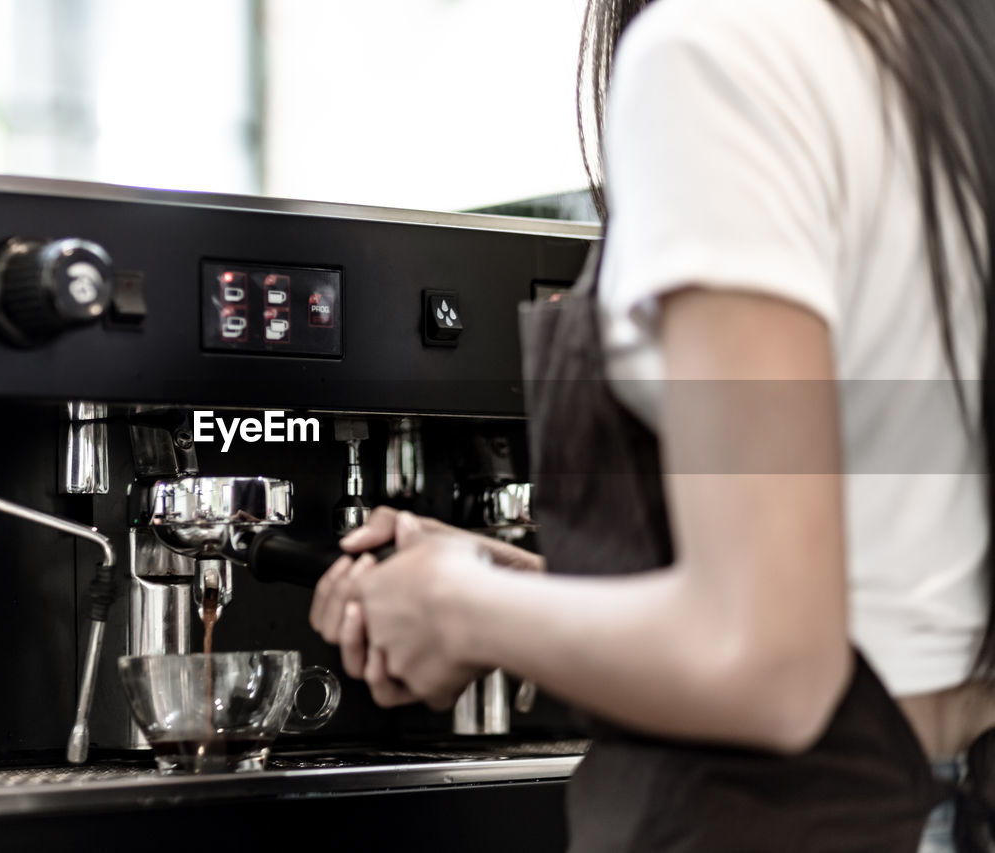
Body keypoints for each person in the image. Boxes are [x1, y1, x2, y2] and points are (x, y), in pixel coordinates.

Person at [309, 0, 995, 849]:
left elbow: (772, 664)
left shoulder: (719, 53)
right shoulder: (946, 53)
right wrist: (520, 583)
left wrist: (458, 606)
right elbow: (890, 594)